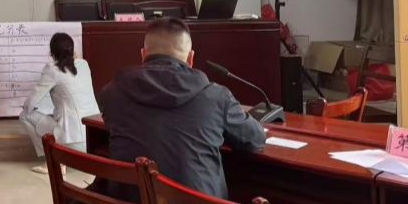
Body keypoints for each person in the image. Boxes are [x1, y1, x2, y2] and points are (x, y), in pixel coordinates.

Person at [98, 18, 266, 202]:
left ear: (143, 54)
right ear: (190, 58)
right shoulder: (216, 97)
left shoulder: (112, 94)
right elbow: (255, 139)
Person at [20, 32, 99, 174]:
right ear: (73, 50)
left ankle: (53, 161)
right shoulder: (84, 64)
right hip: (93, 139)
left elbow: (31, 102)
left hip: (72, 140)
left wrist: (25, 106)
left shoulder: (52, 69)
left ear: (52, 53)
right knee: (57, 115)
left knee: (25, 115)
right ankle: (59, 159)